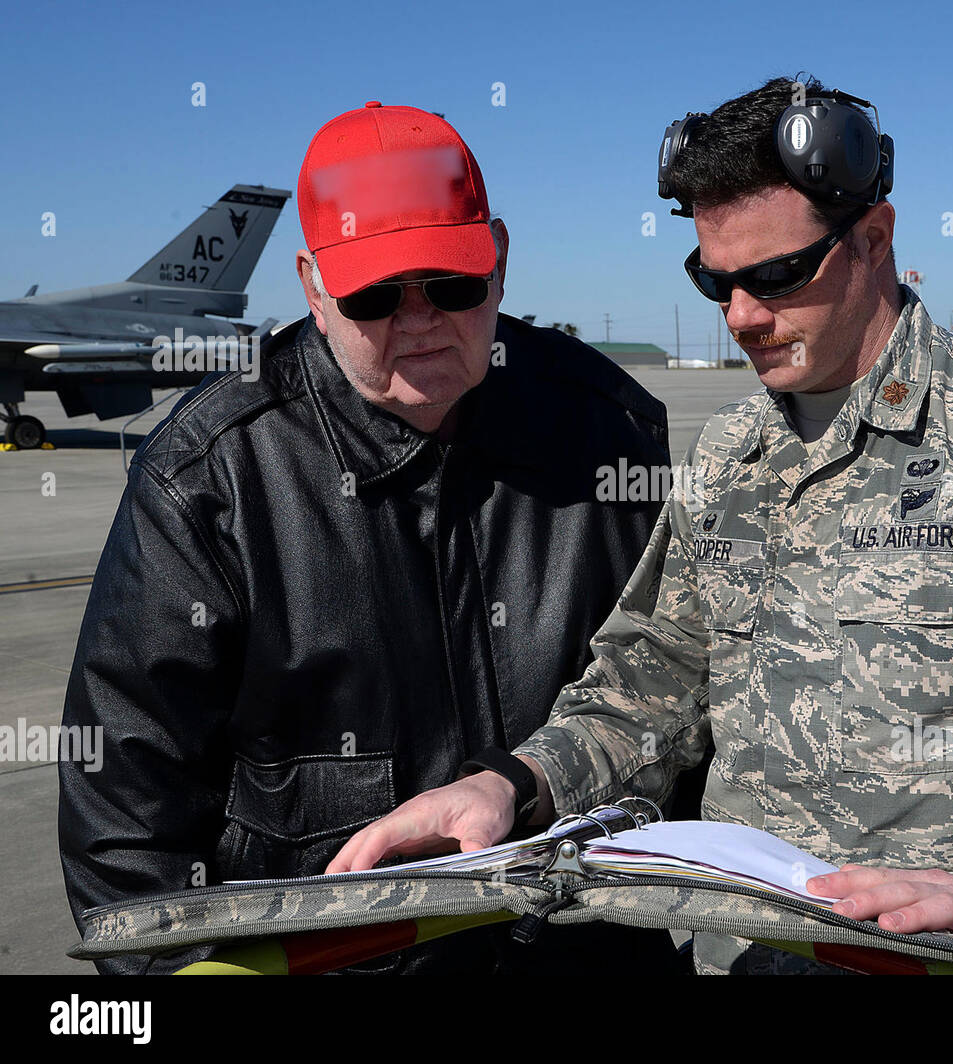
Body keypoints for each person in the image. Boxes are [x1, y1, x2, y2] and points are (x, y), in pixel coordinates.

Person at [328, 78, 953, 975]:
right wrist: (516, 785)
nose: (742, 316)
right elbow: (650, 684)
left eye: (779, 276)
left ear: (875, 240)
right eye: (716, 283)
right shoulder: (734, 453)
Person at [58, 102, 683, 974]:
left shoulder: (612, 432)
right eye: (375, 295)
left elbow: (678, 709)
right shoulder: (210, 478)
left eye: (453, 285)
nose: (419, 320)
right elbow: (126, 821)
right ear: (314, 290)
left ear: (498, 261)